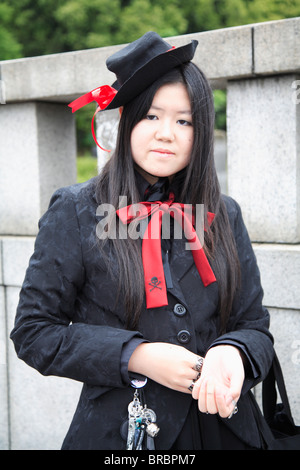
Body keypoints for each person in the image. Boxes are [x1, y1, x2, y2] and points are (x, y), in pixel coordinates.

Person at [10, 31, 274, 450]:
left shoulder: (224, 213)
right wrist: (137, 355)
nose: (166, 133)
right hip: (127, 432)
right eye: (152, 116)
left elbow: (253, 324)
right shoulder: (77, 210)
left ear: (201, 131)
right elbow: (34, 332)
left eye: (184, 120)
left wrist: (234, 351)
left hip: (227, 428)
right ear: (128, 120)